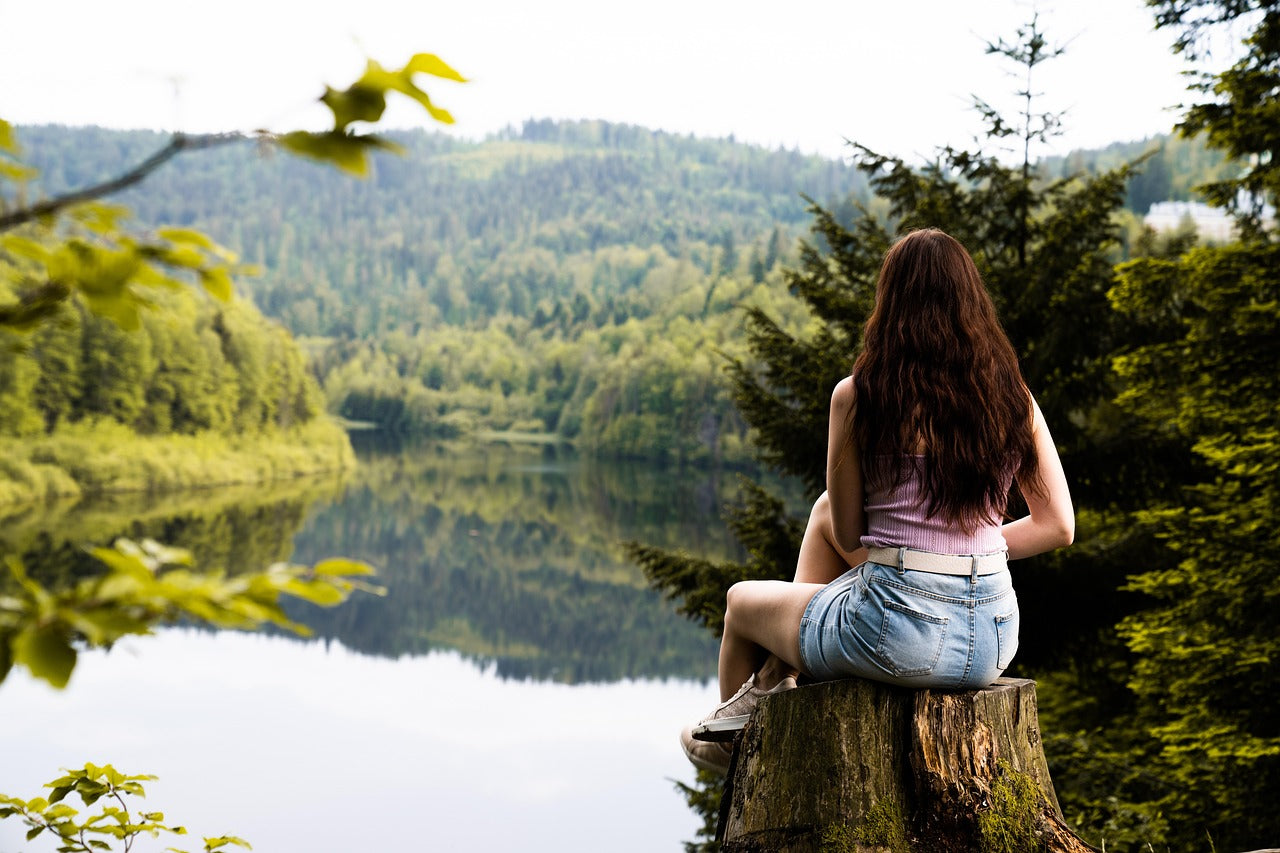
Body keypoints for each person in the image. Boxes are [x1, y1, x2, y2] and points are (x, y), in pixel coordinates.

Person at [681, 228, 1075, 774]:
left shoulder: (860, 397)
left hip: (900, 636)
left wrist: (921, 562)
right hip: (992, 638)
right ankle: (775, 679)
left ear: (890, 304)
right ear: (973, 304)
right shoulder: (1013, 398)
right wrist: (960, 554)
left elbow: (848, 535)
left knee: (740, 603)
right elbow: (1059, 525)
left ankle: (738, 749)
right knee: (821, 511)